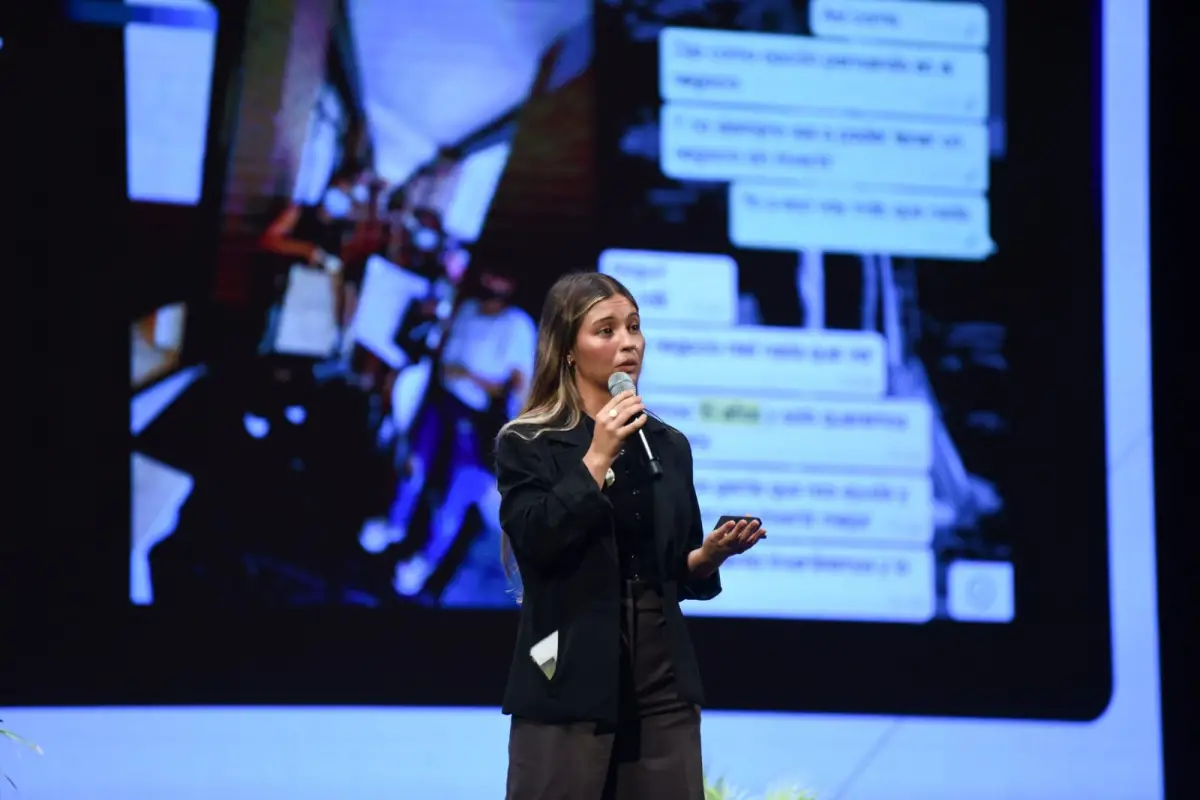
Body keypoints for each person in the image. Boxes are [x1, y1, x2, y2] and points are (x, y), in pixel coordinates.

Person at [496, 272, 766, 799]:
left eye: (635, 327)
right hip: (567, 668)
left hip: (661, 677)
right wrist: (596, 457)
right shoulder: (528, 442)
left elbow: (673, 573)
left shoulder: (667, 446)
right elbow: (536, 542)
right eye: (606, 330)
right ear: (568, 349)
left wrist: (708, 556)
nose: (628, 343)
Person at [390, 266, 537, 597]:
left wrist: (468, 377)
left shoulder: (517, 327)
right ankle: (394, 525)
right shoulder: (467, 309)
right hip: (443, 403)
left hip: (483, 421)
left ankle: (423, 564)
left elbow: (515, 387)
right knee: (415, 465)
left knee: (456, 497)